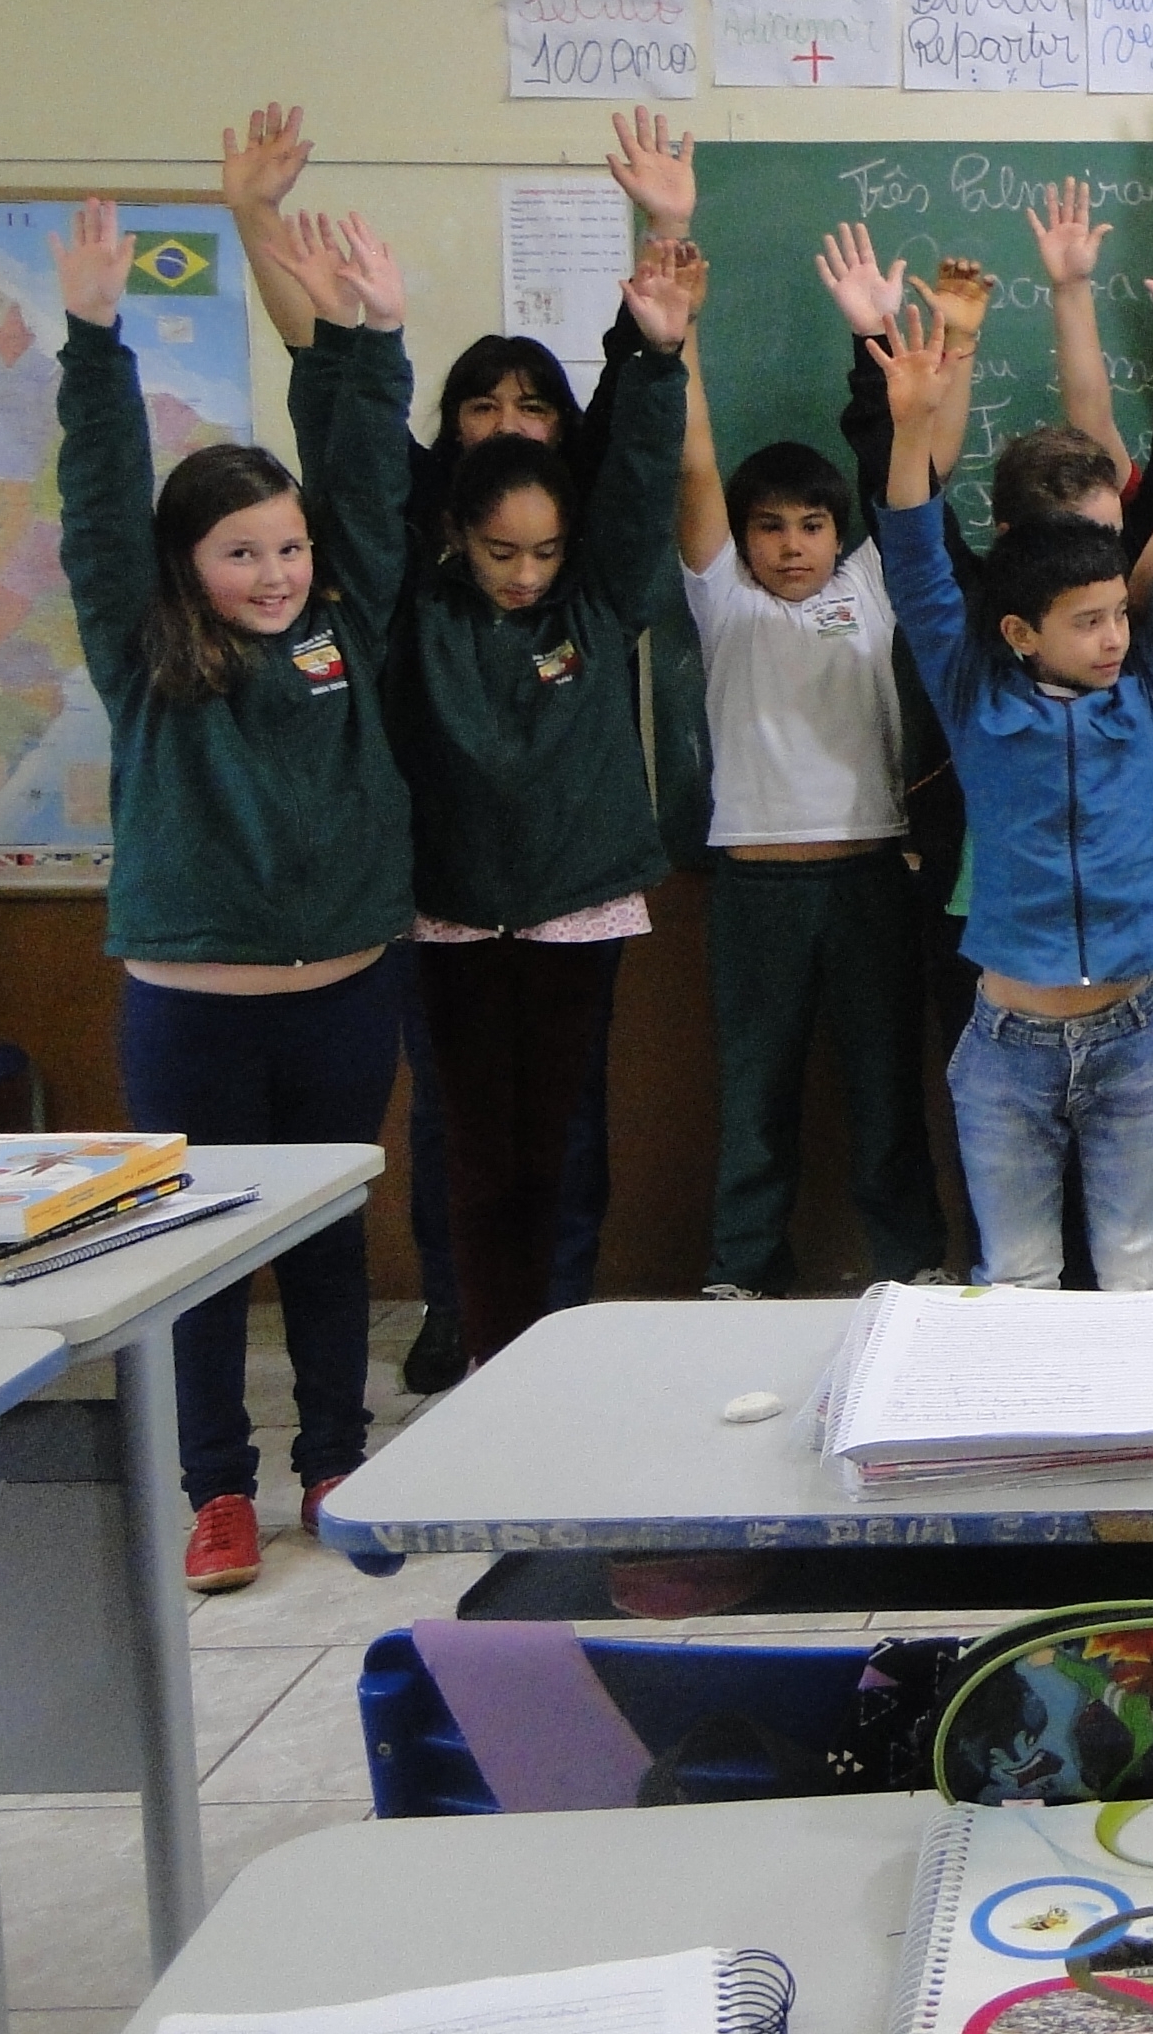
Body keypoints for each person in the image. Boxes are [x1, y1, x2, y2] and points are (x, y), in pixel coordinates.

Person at [53, 197, 412, 1593]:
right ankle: (215, 1488)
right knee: (199, 1255)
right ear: (186, 566)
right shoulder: (144, 650)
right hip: (192, 1006)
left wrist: (373, 337)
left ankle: (335, 1460)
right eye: (240, 552)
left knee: (326, 1239)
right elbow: (97, 505)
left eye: (288, 547)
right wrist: (93, 336)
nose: (275, 573)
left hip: (345, 993)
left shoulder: (346, 625)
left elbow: (366, 482)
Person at [369, 105, 689, 1389]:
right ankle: (468, 1325)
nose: (523, 572)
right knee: (458, 1129)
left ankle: (554, 1331)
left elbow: (637, 466)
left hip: (573, 895)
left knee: (564, 1129)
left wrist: (656, 330)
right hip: (444, 901)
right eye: (501, 551)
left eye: (544, 552)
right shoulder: (413, 595)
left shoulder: (597, 591)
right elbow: (355, 468)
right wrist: (363, 337)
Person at [874, 247, 1153, 1289]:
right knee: (1019, 1278)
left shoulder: (1143, 689)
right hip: (1007, 1044)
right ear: (1018, 632)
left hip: (1134, 1034)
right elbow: (914, 560)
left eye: (1117, 617)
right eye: (1086, 622)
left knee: (1139, 1272)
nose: (1112, 638)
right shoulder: (976, 698)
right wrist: (911, 428)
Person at [677, 253, 953, 1299]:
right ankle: (743, 1269)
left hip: (871, 876)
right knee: (756, 1093)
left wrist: (872, 337)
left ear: (840, 532)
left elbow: (911, 464)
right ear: (742, 538)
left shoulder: (875, 581)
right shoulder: (725, 601)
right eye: (769, 526)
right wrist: (680, 332)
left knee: (885, 1091)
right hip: (755, 887)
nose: (792, 546)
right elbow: (695, 460)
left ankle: (910, 1261)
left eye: (811, 524)